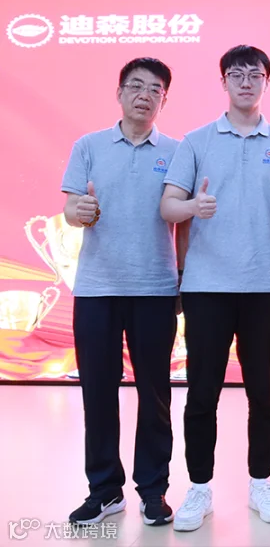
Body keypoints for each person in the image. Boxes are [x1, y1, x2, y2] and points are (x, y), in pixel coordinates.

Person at [160, 45, 270, 531]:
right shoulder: (196, 141)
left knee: (264, 393)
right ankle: (199, 487)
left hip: (264, 288)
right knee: (202, 393)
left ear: (266, 82)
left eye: (255, 74)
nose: (246, 82)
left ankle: (260, 481)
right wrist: (192, 208)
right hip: (206, 289)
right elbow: (169, 206)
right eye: (236, 74)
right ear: (223, 81)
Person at [62, 57, 185, 527]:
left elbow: (182, 218)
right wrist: (80, 211)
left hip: (155, 288)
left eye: (155, 90)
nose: (144, 95)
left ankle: (153, 490)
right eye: (135, 86)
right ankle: (104, 490)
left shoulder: (177, 151)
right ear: (119, 93)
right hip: (97, 288)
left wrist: (183, 277)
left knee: (155, 394)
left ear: (163, 100)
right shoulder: (89, 146)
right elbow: (71, 206)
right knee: (97, 391)